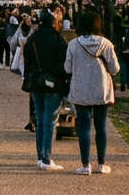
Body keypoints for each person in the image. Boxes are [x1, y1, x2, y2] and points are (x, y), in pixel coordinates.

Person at [64, 10, 120, 176]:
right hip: (101, 89)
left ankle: (85, 164)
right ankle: (102, 164)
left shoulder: (73, 44)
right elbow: (115, 69)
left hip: (80, 89)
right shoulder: (106, 43)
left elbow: (67, 68)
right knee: (101, 126)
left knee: (84, 127)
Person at [25, 9, 70, 170]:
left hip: (37, 82)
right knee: (49, 120)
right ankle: (46, 158)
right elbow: (64, 63)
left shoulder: (33, 39)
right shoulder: (58, 39)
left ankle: (40, 157)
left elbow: (27, 59)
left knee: (40, 117)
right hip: (54, 83)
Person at [113, 15, 129, 94]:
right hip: (128, 51)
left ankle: (123, 84)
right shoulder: (126, 30)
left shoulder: (114, 31)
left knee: (122, 68)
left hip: (120, 52)